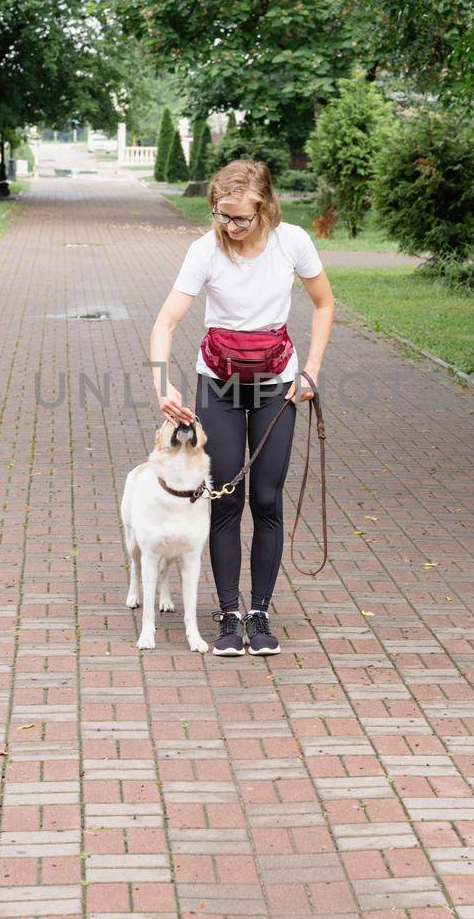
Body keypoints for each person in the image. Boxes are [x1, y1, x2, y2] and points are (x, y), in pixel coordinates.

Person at [148, 159, 334, 655]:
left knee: (267, 499)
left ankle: (260, 611)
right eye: (221, 215)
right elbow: (165, 322)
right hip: (220, 386)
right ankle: (229, 614)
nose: (229, 226)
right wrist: (162, 385)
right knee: (226, 498)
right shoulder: (205, 249)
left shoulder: (292, 241)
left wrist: (310, 371)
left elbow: (323, 304)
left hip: (278, 385)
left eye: (239, 217)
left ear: (266, 208)